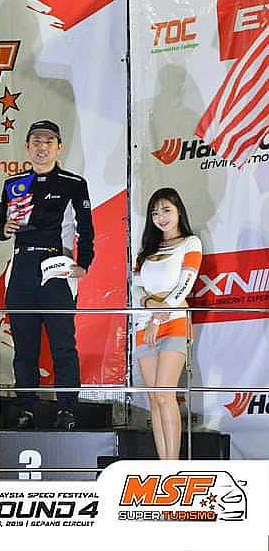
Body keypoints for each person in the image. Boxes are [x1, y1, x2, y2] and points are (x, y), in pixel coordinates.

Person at [0, 120, 94, 430]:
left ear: (58, 147)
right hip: (22, 266)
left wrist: (84, 262)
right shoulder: (14, 183)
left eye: (49, 141)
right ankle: (26, 408)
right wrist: (4, 228)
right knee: (24, 346)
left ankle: (67, 409)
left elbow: (86, 228)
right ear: (27, 146)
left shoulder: (73, 183)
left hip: (56, 266)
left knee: (63, 344)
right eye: (36, 141)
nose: (42, 147)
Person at [133, 188, 201, 460]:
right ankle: (163, 464)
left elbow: (186, 284)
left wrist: (157, 316)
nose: (160, 217)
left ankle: (173, 466)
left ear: (179, 211)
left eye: (166, 210)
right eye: (155, 213)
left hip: (174, 322)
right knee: (153, 398)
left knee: (164, 394)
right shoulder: (146, 251)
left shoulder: (191, 243)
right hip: (143, 325)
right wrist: (149, 306)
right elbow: (136, 288)